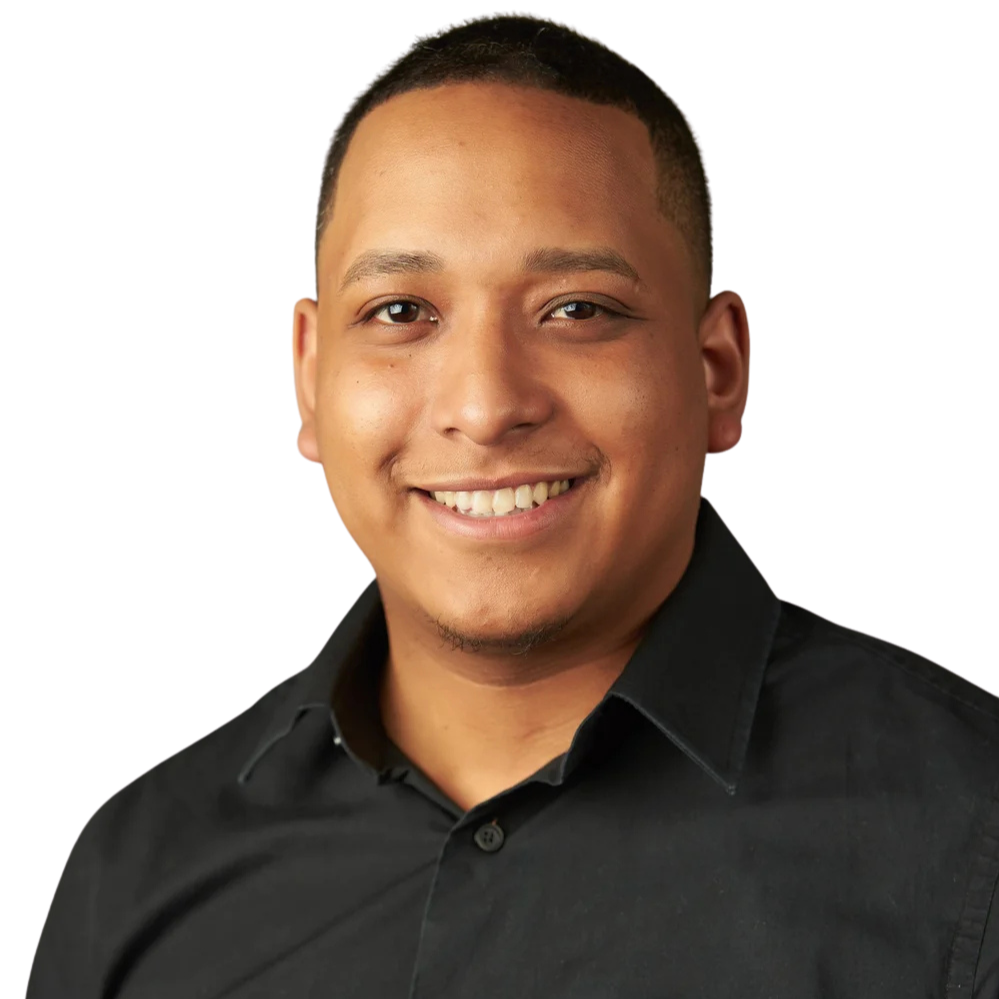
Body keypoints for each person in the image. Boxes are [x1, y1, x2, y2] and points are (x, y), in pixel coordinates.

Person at [26, 14, 997, 998]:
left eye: (577, 310)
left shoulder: (971, 833)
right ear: (308, 386)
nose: (486, 407)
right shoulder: (136, 873)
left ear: (717, 375)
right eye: (402, 313)